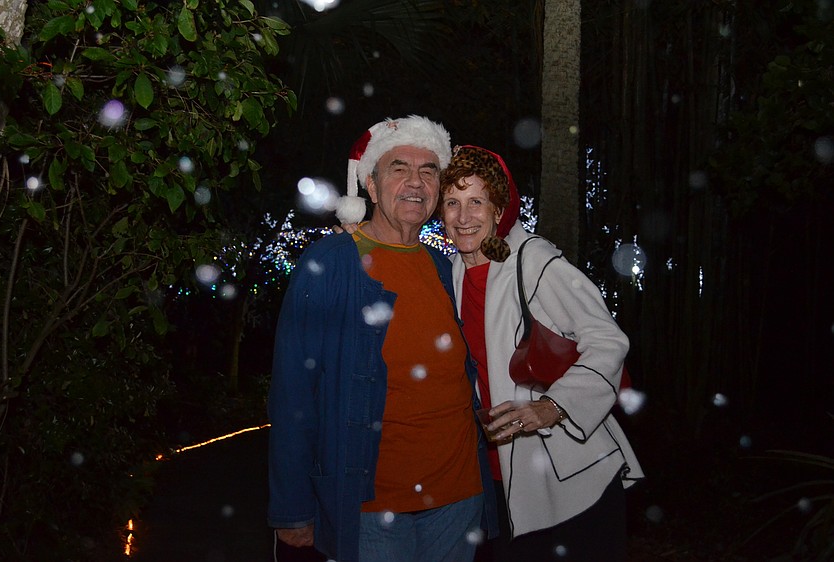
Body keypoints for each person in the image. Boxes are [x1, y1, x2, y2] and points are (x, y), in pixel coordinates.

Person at [267, 117, 497, 562]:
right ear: (370, 186)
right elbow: (293, 392)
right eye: (399, 168)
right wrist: (292, 509)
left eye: (428, 171)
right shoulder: (332, 264)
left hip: (459, 498)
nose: (416, 182)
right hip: (371, 506)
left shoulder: (447, 268)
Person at [438, 145, 644, 562]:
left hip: (572, 477)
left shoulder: (533, 261)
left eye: (477, 201)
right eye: (452, 203)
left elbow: (608, 340)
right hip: (502, 480)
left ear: (499, 210)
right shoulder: (452, 272)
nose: (463, 217)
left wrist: (554, 406)